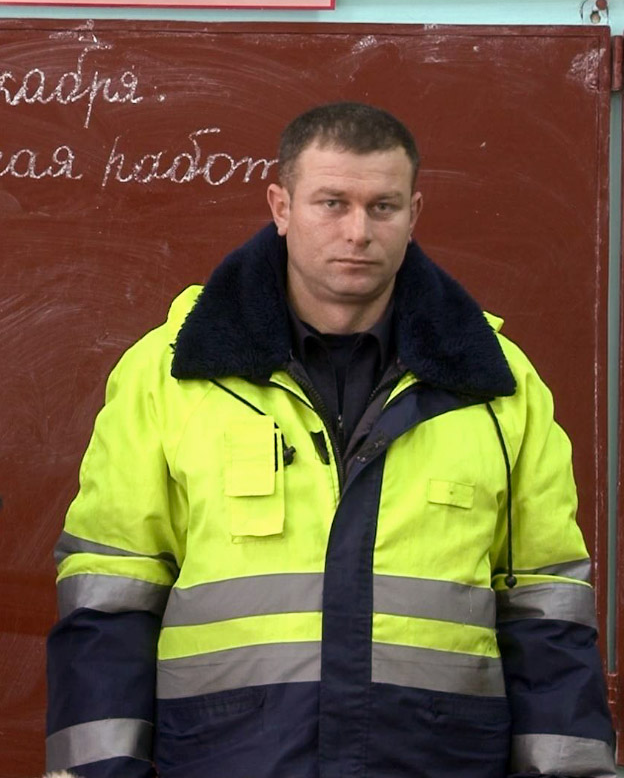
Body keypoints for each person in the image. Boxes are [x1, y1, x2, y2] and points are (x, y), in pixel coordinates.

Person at [45, 102, 614, 778]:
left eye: (382, 207)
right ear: (281, 207)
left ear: (414, 214)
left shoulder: (497, 388)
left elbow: (547, 616)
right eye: (332, 203)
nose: (358, 232)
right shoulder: (169, 376)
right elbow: (110, 603)